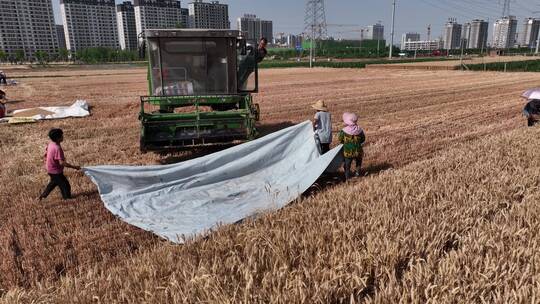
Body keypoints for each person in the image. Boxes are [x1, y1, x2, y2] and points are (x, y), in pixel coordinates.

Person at [39, 128, 81, 200]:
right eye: (61, 136)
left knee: (53, 183)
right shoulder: (57, 148)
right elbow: (61, 163)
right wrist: (74, 167)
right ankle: (67, 199)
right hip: (56, 171)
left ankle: (43, 195)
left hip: (50, 168)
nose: (63, 137)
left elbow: (46, 152)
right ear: (58, 138)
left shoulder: (50, 144)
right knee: (65, 185)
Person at [338, 112, 366, 180]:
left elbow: (340, 139)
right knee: (358, 163)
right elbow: (363, 139)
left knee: (347, 165)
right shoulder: (360, 130)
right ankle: (357, 174)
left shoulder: (344, 131)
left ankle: (347, 178)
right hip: (358, 150)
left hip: (348, 151)